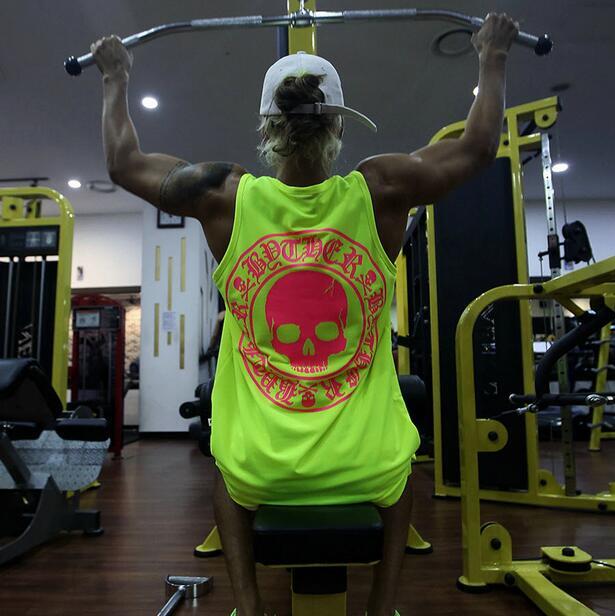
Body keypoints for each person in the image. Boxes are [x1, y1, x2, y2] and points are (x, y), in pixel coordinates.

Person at [91, 13, 519, 616]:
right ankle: (381, 608)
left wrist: (115, 76)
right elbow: (477, 148)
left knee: (228, 477)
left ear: (268, 126)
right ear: (338, 124)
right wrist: (492, 55)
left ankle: (249, 608)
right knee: (400, 478)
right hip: (364, 463)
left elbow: (122, 161)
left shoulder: (224, 196)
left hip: (262, 466)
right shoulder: (380, 190)